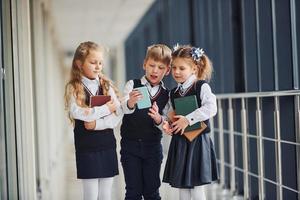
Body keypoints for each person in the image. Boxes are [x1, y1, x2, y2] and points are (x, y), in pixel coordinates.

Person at [149, 45, 219, 200]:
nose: (176, 72)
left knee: (197, 189)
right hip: (180, 142)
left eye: (182, 68)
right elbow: (168, 113)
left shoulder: (201, 86)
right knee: (182, 188)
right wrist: (164, 123)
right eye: (173, 68)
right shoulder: (173, 93)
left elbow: (211, 107)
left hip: (198, 142)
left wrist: (188, 119)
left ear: (194, 69)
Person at [64, 41, 122, 200]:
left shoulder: (107, 84)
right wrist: (105, 109)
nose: (98, 66)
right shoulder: (73, 87)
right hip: (86, 148)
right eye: (93, 62)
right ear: (79, 63)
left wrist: (96, 123)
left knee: (105, 194)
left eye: (100, 63)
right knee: (90, 195)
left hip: (107, 145)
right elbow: (78, 113)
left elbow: (117, 115)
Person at [120, 44, 172, 200]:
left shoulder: (167, 95)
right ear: (144, 64)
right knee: (133, 191)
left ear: (167, 70)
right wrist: (130, 102)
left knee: (152, 191)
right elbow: (122, 107)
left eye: (160, 67)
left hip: (153, 148)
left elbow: (166, 122)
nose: (155, 70)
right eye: (151, 65)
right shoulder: (132, 85)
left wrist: (158, 119)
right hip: (130, 147)